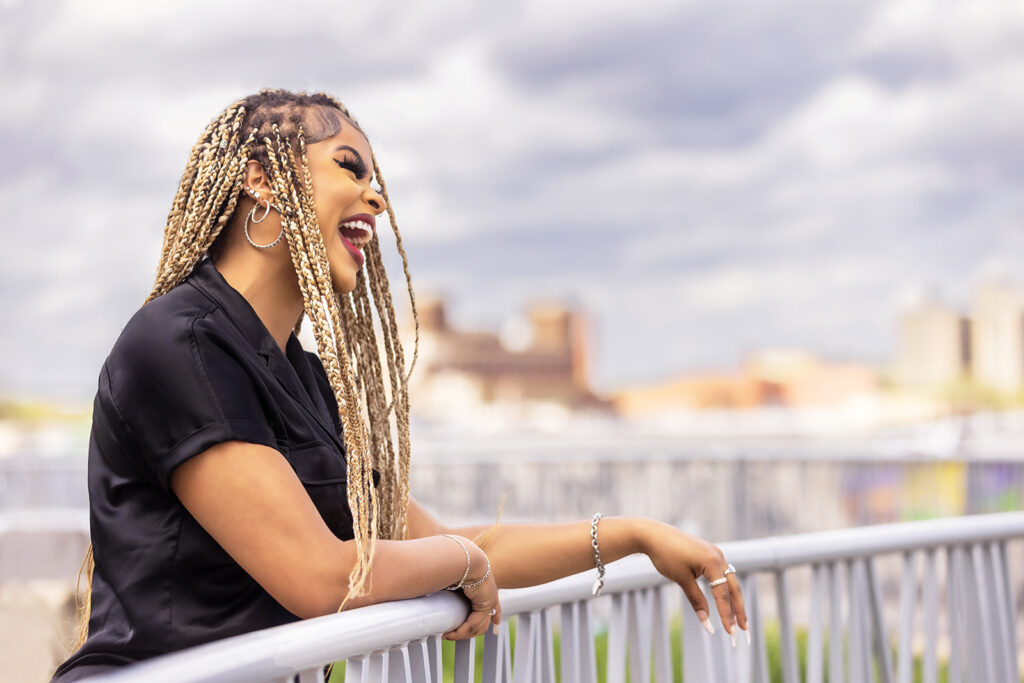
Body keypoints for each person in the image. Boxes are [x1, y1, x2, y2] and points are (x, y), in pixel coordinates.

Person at [51, 89, 747, 681]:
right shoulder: (181, 342)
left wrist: (631, 535)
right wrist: (459, 560)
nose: (375, 197)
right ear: (262, 180)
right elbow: (323, 576)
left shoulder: (302, 376)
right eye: (349, 168)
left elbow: (446, 543)